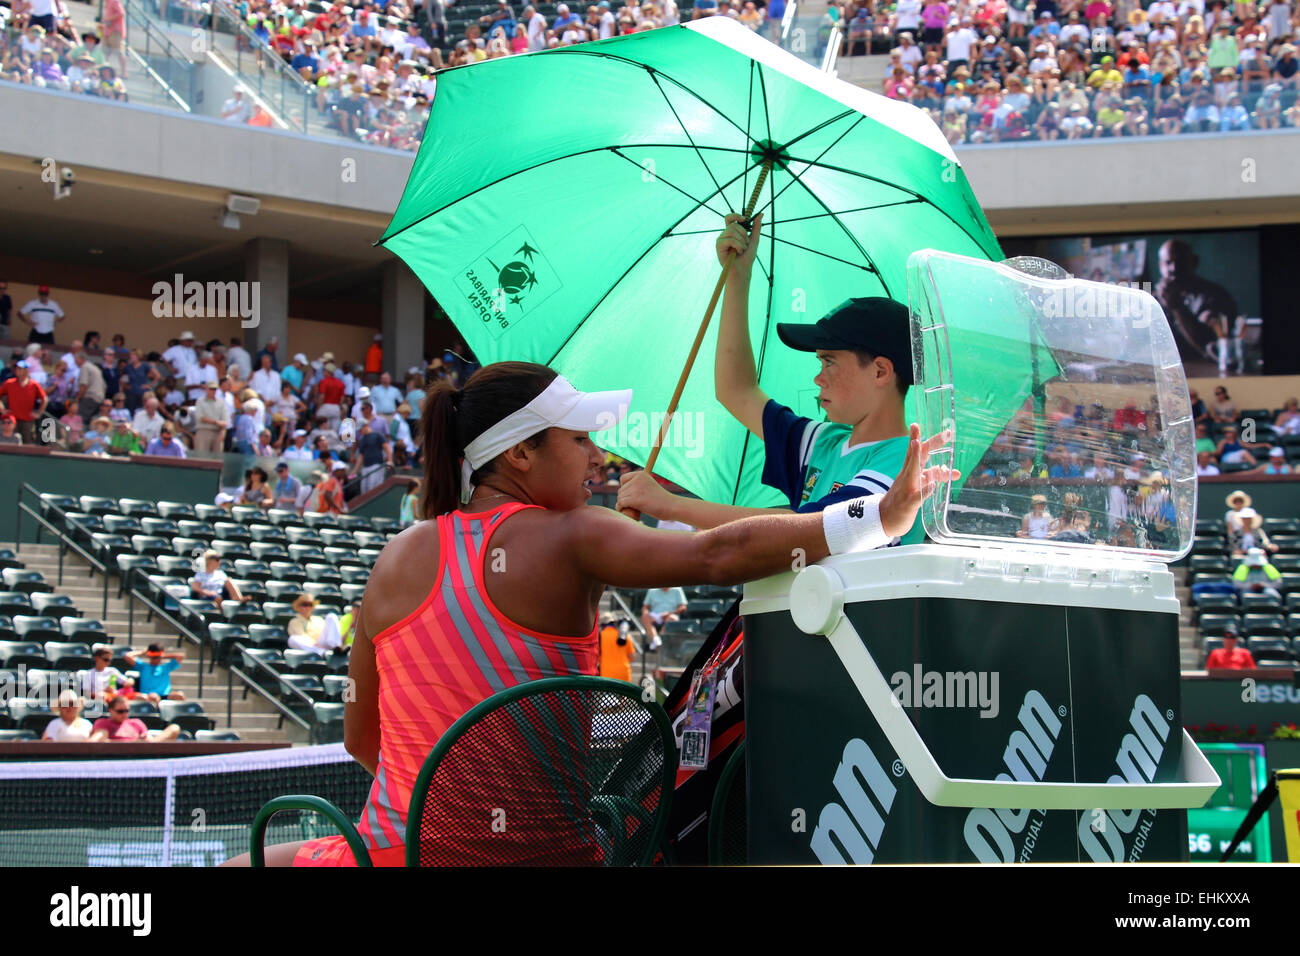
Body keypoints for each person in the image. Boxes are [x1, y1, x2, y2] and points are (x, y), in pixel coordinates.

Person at [223, 361, 952, 866]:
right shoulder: (573, 533)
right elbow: (713, 557)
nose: (597, 454)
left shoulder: (393, 560)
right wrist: (876, 518)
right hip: (546, 857)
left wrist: (452, 813)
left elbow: (361, 739)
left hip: (395, 853)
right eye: (578, 440)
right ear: (519, 457)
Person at [618, 213, 934, 545]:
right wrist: (738, 278)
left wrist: (670, 505)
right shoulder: (823, 442)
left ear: (881, 371)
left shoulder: (904, 460)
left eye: (829, 363)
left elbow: (814, 526)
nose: (817, 378)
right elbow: (737, 390)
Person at [0, 359, 47, 445]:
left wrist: (39, 413)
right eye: (17, 368)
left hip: (28, 420)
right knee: (11, 443)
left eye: (20, 368)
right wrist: (2, 410)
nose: (18, 370)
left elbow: (44, 399)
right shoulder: (9, 383)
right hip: (12, 420)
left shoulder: (34, 385)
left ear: (26, 371)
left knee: (28, 443)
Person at [89, 699, 181, 742]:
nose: (124, 714)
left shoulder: (136, 723)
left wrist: (143, 741)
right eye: (120, 711)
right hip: (115, 758)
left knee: (174, 728)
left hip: (143, 755)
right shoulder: (104, 723)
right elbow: (98, 741)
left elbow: (149, 742)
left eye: (126, 711)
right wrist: (133, 742)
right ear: (111, 711)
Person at [598, 614, 637, 683]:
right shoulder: (624, 635)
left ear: (601, 625)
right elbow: (632, 657)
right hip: (624, 674)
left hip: (606, 675)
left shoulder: (600, 636)